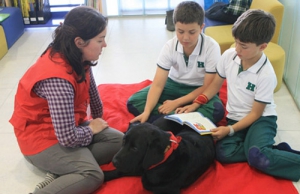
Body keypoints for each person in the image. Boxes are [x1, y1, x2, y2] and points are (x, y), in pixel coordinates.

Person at [9, 6, 124, 194]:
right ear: (80, 42)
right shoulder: (58, 80)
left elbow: (93, 95)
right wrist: (91, 129)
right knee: (92, 175)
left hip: (68, 127)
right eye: (100, 40)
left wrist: (98, 121)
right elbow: (68, 138)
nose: (105, 45)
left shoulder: (77, 55)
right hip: (41, 139)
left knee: (121, 142)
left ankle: (63, 167)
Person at [176, 9, 300, 181]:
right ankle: (262, 149)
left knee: (257, 158)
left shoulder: (266, 75)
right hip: (235, 117)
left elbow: (256, 113)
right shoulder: (229, 56)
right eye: (236, 42)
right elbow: (214, 86)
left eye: (244, 46)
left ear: (262, 46)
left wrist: (230, 130)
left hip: (261, 119)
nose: (236, 49)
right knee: (223, 153)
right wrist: (195, 104)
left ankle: (261, 151)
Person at [127, 1, 225, 125]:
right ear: (175, 26)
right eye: (180, 31)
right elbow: (157, 84)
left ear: (201, 27)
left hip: (199, 88)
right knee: (135, 101)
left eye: (192, 32)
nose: (185, 38)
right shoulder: (169, 46)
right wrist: (146, 112)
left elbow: (208, 87)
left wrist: (176, 103)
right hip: (173, 85)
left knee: (216, 110)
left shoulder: (212, 47)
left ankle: (169, 119)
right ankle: (184, 119)